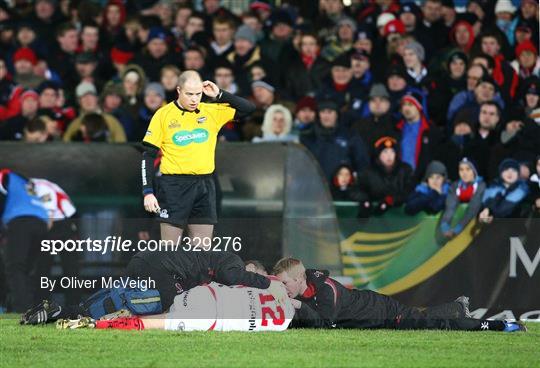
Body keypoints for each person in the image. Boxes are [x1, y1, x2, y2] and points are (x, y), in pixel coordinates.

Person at [141, 70, 255, 248]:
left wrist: (219, 94)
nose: (194, 99)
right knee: (170, 251)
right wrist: (148, 191)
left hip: (205, 184)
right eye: (189, 94)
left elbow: (248, 108)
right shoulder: (163, 115)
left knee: (202, 252)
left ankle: (198, 277)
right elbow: (148, 155)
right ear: (178, 90)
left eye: (198, 94)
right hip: (174, 186)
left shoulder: (210, 111)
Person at [273, 257, 526, 332]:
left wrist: (295, 305)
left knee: (435, 325)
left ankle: (502, 326)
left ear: (298, 278)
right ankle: (457, 307)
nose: (282, 288)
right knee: (419, 318)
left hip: (381, 312)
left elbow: (323, 323)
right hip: (374, 309)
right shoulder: (305, 286)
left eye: (285, 283)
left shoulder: (325, 291)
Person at [56, 281, 295, 332]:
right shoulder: (282, 324)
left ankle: (114, 315)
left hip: (205, 292)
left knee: (168, 314)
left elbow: (243, 283)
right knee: (150, 325)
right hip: (211, 317)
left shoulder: (275, 287)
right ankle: (98, 325)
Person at [0, 169, 49, 313]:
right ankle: (31, 308)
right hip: (41, 223)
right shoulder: (24, 182)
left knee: (14, 267)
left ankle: (21, 310)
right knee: (27, 269)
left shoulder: (4, 175)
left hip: (20, 221)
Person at [355, 136, 414, 217]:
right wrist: (365, 200)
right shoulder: (368, 172)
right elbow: (357, 190)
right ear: (378, 155)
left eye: (392, 152)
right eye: (385, 152)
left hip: (399, 218)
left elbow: (409, 190)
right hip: (374, 219)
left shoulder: (405, 170)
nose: (389, 156)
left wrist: (391, 200)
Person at [440, 158, 486, 239]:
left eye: (468, 169)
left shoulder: (481, 186)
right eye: (461, 170)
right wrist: (445, 226)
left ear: (474, 171)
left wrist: (457, 229)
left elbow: (472, 210)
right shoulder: (455, 185)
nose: (464, 173)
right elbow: (450, 207)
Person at [479, 159, 529, 224]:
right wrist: (482, 215)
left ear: (518, 174)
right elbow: (481, 207)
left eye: (514, 170)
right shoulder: (492, 187)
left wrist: (491, 213)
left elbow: (505, 212)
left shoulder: (522, 191)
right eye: (506, 170)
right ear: (501, 172)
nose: (510, 173)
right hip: (490, 229)